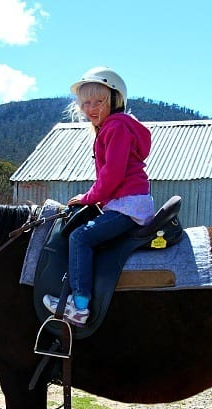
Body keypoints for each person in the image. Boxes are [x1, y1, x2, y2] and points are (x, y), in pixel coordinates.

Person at [43, 66, 154, 326]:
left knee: (80, 237)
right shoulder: (114, 127)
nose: (91, 108)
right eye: (85, 103)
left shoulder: (115, 126)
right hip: (127, 202)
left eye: (98, 101)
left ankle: (80, 305)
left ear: (114, 101)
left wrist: (88, 197)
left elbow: (113, 175)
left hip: (127, 205)